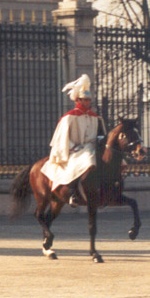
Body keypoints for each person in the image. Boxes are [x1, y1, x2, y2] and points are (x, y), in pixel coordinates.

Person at [41, 74, 103, 207]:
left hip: (91, 147)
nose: (88, 102)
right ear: (78, 101)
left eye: (89, 100)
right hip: (74, 149)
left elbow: (101, 134)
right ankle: (73, 192)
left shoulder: (95, 117)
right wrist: (73, 147)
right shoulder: (69, 118)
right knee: (86, 161)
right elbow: (62, 138)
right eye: (85, 100)